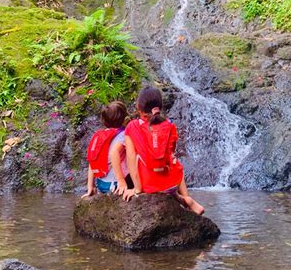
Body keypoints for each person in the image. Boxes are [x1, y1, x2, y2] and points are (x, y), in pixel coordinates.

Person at [123, 86, 204, 214]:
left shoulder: (132, 127)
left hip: (150, 186)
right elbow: (171, 153)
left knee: (138, 156)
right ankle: (184, 198)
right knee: (171, 157)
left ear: (138, 107)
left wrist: (137, 189)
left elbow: (131, 158)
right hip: (173, 184)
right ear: (160, 107)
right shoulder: (170, 125)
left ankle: (181, 198)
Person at [83, 101, 130, 197]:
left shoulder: (99, 136)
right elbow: (114, 154)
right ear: (125, 118)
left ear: (104, 121)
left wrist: (90, 186)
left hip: (101, 184)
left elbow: (92, 160)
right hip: (116, 185)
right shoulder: (124, 135)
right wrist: (121, 181)